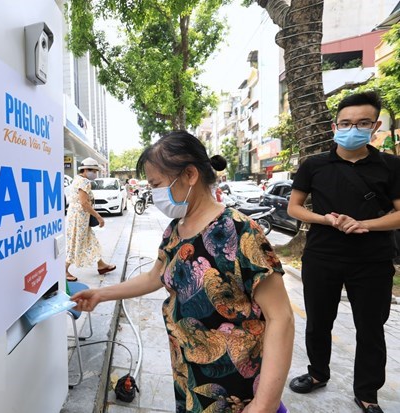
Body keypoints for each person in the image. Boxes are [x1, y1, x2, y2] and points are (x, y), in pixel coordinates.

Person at [72, 131, 294, 413]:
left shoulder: (241, 231)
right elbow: (155, 276)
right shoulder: (176, 229)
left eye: (156, 184)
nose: (153, 194)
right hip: (188, 373)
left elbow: (281, 317)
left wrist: (265, 403)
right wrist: (101, 294)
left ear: (190, 175)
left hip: (236, 385)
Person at [287, 91, 400, 413]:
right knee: (318, 322)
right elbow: (294, 208)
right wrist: (325, 218)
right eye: (346, 123)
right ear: (335, 126)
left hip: (373, 260)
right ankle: (317, 373)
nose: (353, 129)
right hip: (322, 256)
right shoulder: (315, 165)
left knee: (371, 328)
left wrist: (363, 223)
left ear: (375, 125)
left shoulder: (391, 166)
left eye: (363, 123)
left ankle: (367, 392)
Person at [65, 157, 117, 282]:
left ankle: (101, 265)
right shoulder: (84, 182)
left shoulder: (77, 179)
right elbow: (84, 203)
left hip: (76, 216)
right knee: (77, 243)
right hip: (80, 218)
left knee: (91, 241)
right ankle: (64, 270)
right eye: (94, 171)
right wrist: (98, 216)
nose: (95, 174)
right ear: (86, 170)